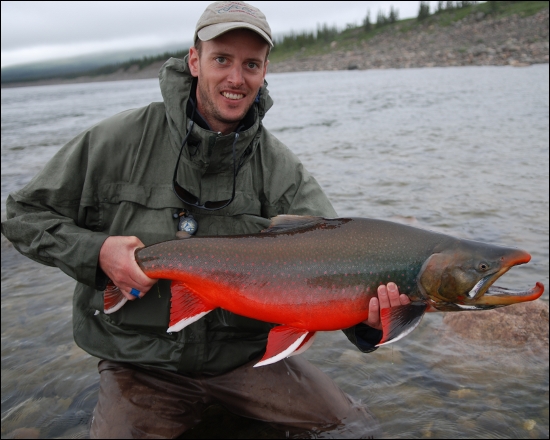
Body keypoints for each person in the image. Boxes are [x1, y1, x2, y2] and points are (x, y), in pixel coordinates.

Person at [1, 1, 410, 438]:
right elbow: (24, 217)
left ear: (265, 70)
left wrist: (371, 325)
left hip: (243, 361)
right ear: (194, 61)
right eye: (222, 59)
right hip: (142, 363)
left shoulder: (281, 171)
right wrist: (97, 252)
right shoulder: (115, 143)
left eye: (251, 64)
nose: (236, 78)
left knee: (353, 429)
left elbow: (336, 265)